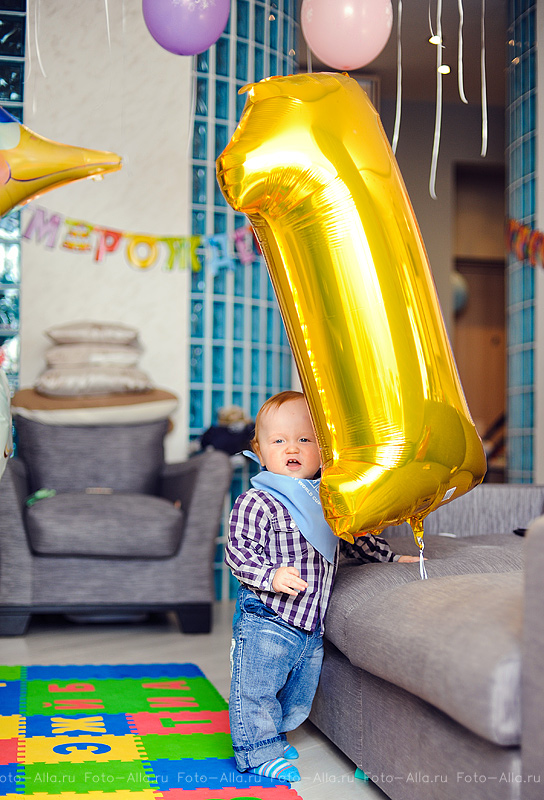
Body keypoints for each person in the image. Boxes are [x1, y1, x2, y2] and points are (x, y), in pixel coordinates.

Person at [225, 390, 420, 783]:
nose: (291, 448)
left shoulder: (327, 501)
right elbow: (238, 552)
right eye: (278, 441)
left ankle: (273, 734)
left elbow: (354, 538)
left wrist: (389, 558)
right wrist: (271, 575)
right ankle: (258, 750)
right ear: (259, 451)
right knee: (256, 686)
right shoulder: (257, 502)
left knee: (297, 687)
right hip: (267, 614)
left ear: (323, 450)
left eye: (304, 439)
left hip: (309, 619)